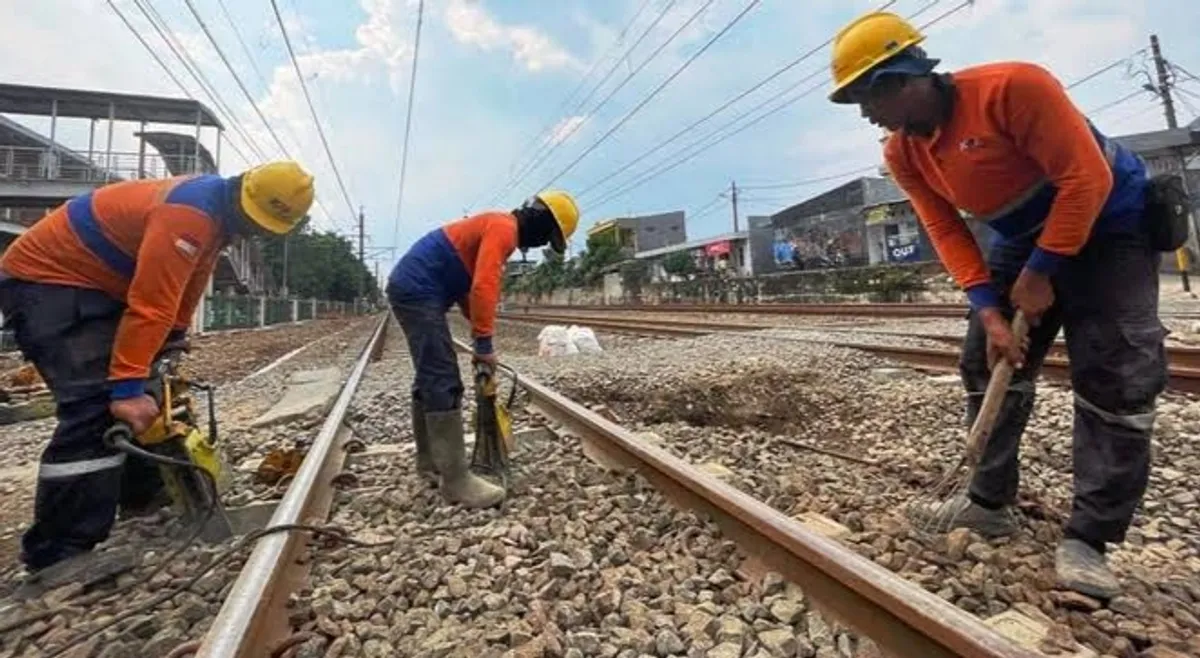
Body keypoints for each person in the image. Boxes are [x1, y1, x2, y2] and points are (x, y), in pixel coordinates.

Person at [829, 11, 1166, 598]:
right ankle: (987, 501)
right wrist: (988, 310)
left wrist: (1041, 274)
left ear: (901, 78)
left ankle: (1090, 538)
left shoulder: (1014, 88)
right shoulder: (904, 153)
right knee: (987, 362)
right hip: (1020, 236)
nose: (864, 115)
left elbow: (1086, 180)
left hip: (1114, 227)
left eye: (865, 97)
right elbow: (946, 229)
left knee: (1116, 372)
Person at [0, 161, 315, 584]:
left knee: (143, 388)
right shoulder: (189, 213)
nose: (254, 230)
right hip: (48, 283)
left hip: (90, 285)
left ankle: (142, 497)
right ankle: (58, 555)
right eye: (254, 221)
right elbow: (150, 304)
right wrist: (127, 387)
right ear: (244, 193)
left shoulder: (216, 217)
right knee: (98, 405)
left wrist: (175, 334)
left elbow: (191, 279)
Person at [387, 191, 580, 509]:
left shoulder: (495, 225)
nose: (541, 245)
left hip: (416, 286)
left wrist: (482, 338)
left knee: (430, 374)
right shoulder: (504, 229)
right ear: (540, 220)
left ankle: (429, 462)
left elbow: (466, 286)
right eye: (548, 237)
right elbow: (483, 285)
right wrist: (483, 342)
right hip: (418, 288)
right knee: (442, 375)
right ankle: (456, 481)